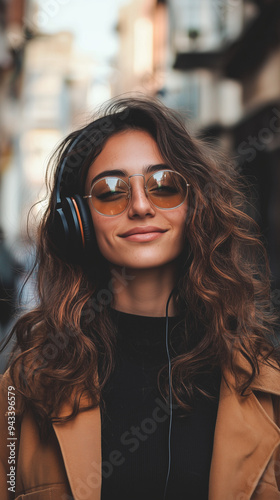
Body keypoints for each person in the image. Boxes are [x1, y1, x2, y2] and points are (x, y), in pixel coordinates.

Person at [0, 96, 280, 500]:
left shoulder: (267, 386)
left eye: (164, 186)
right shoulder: (21, 393)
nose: (141, 206)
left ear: (195, 206)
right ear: (76, 222)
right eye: (111, 191)